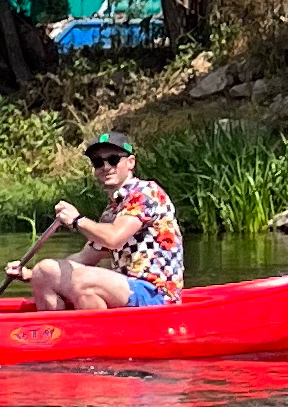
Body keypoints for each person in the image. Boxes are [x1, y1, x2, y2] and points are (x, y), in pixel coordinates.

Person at [30, 130, 184, 310]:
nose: (105, 167)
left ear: (130, 162)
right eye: (98, 162)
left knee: (84, 280)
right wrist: (29, 274)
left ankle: (96, 335)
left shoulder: (145, 193)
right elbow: (84, 258)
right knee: (44, 271)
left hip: (155, 294)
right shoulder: (112, 210)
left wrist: (77, 220)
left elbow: (114, 238)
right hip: (125, 289)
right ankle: (55, 333)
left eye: (113, 159)